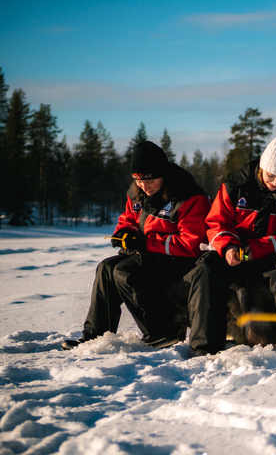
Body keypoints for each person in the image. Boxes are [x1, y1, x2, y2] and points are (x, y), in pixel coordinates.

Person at [62, 141, 215, 353]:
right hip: (151, 255)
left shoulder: (189, 196)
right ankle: (95, 336)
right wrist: (125, 233)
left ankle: (162, 332)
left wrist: (145, 242)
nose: (144, 186)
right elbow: (129, 219)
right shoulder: (138, 192)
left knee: (124, 272)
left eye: (149, 180)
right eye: (138, 180)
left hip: (181, 262)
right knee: (106, 268)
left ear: (163, 174)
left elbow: (191, 244)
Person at [187, 126, 276, 357]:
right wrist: (228, 246)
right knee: (206, 267)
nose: (275, 182)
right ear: (262, 166)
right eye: (271, 175)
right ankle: (204, 348)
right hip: (235, 253)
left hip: (275, 256)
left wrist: (266, 245)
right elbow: (217, 222)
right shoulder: (235, 187)